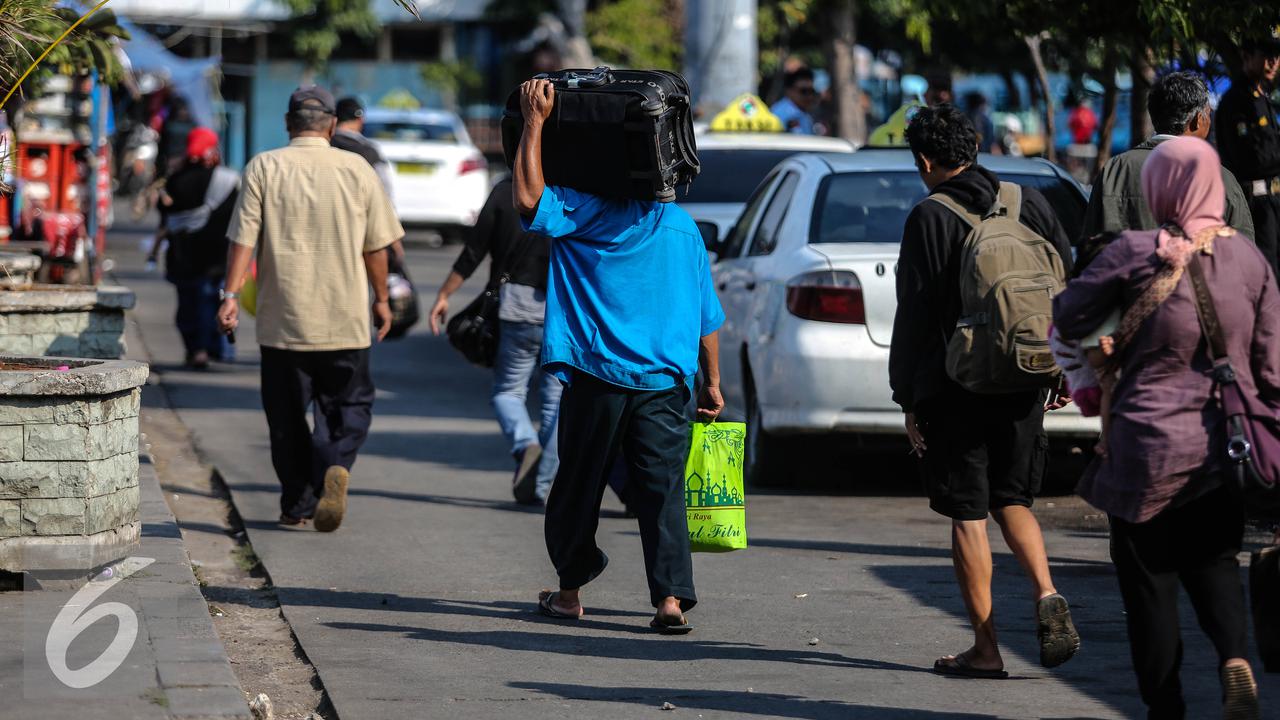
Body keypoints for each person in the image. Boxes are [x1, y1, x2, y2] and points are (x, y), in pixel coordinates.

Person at [1053, 136, 1268, 720]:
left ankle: (1165, 707)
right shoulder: (1250, 259)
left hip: (1142, 447)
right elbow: (1273, 365)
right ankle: (1232, 656)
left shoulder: (1134, 250)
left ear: (1159, 187)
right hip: (1223, 444)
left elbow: (1068, 313)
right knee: (1217, 561)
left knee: (1150, 586)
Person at [511, 78, 725, 633]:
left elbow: (528, 199)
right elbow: (707, 319)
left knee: (578, 485)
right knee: (662, 492)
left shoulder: (586, 212)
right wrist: (713, 383)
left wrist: (535, 122)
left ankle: (569, 594)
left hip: (597, 375)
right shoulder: (683, 227)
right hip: (665, 382)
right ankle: (670, 601)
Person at [889, 104, 1080, 678]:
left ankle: (986, 648)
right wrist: (1062, 365)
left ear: (925, 160)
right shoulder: (1030, 203)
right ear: (974, 148)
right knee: (1013, 500)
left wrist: (909, 398)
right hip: (1025, 376)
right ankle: (1046, 591)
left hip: (958, 386)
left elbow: (916, 316)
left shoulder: (929, 216)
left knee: (969, 514)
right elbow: (1066, 283)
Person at [217, 86, 404, 531]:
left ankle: (295, 507)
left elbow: (243, 238)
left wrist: (229, 295)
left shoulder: (264, 166)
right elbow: (378, 246)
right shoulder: (357, 168)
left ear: (288, 123)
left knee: (285, 418)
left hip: (283, 323)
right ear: (333, 125)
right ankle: (333, 465)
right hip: (345, 321)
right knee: (349, 407)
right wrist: (381, 299)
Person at [429, 177, 561, 505]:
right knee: (555, 404)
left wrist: (445, 294)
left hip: (515, 305)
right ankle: (546, 476)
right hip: (562, 308)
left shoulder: (506, 190)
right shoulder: (570, 190)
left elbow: (474, 250)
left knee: (508, 391)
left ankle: (525, 444)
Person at [1079, 71, 1256, 270]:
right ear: (1198, 120)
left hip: (1125, 296)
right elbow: (1244, 260)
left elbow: (1090, 251)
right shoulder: (1221, 177)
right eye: (1208, 114)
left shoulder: (1115, 170)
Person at [150, 127, 239, 369]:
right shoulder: (228, 180)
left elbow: (165, 214)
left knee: (189, 303)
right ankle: (215, 347)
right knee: (215, 300)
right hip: (219, 255)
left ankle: (195, 349)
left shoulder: (176, 180)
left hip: (184, 255)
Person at [1216, 33, 1280, 274]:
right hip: (1252, 204)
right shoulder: (1236, 102)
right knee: (1261, 273)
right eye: (1266, 55)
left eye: (1277, 56)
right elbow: (1252, 159)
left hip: (1271, 201)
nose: (1273, 62)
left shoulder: (1263, 100)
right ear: (1246, 56)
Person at [771, 67, 820, 135]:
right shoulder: (781, 113)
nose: (809, 96)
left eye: (811, 91)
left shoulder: (804, 113)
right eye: (804, 91)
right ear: (789, 91)